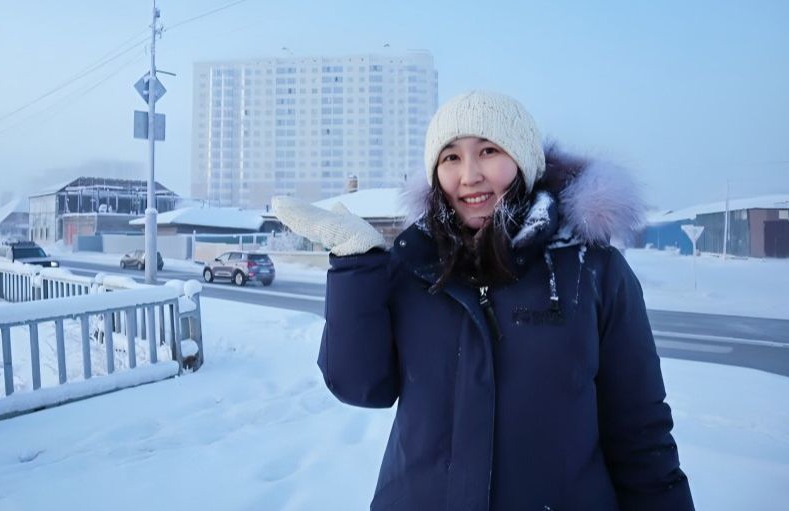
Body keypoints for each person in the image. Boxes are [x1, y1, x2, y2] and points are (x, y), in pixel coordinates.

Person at [273, 90, 693, 511]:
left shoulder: (594, 271)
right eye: (450, 157)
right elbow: (360, 386)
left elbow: (641, 435)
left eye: (489, 151)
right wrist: (355, 267)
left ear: (523, 160)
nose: (469, 175)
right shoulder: (414, 266)